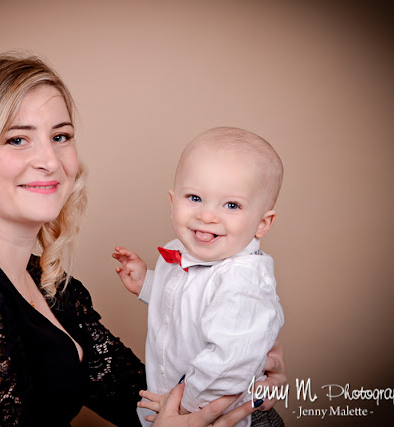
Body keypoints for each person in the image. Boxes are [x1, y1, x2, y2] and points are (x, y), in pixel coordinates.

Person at [0, 54, 286, 426]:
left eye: (60, 136)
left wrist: (248, 390)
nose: (49, 159)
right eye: (17, 139)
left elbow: (147, 402)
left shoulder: (51, 287)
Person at [113, 127, 285, 427]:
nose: (207, 215)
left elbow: (228, 366)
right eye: (194, 197)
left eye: (231, 205)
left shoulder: (242, 282)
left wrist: (183, 405)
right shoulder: (179, 249)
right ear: (172, 202)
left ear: (262, 223)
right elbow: (187, 305)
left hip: (222, 416)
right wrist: (147, 284)